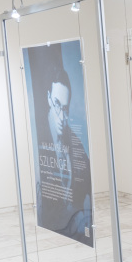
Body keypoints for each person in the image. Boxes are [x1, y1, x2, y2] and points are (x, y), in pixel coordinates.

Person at [34, 61, 93, 246]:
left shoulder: (73, 140)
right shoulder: (38, 134)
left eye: (65, 109)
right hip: (50, 226)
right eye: (57, 105)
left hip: (71, 226)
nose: (61, 116)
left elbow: (87, 176)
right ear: (48, 98)